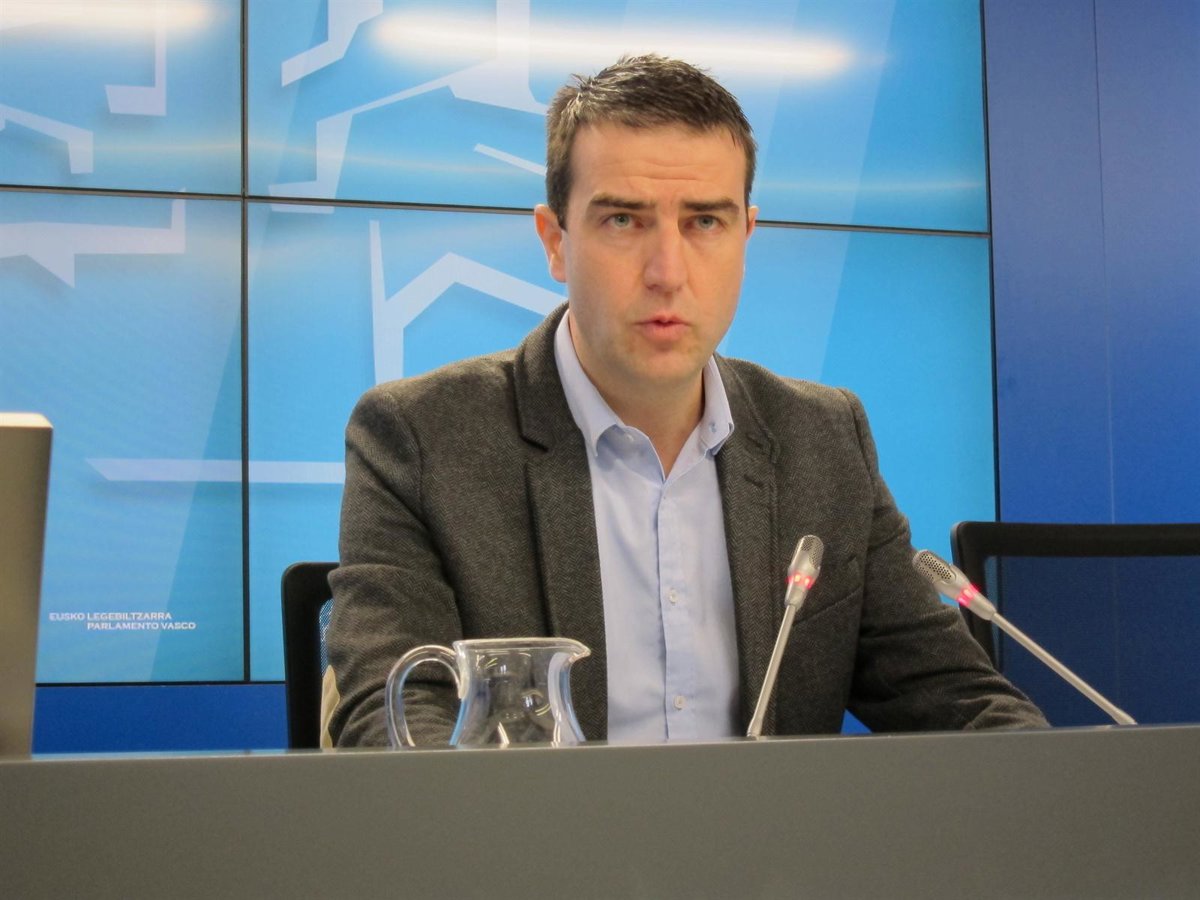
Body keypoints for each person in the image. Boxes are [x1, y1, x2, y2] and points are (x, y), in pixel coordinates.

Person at [321, 55, 1046, 748]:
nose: (668, 272)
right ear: (555, 241)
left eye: (705, 222)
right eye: (623, 220)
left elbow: (955, 698)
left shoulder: (824, 438)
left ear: (745, 235)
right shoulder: (421, 438)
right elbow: (393, 717)